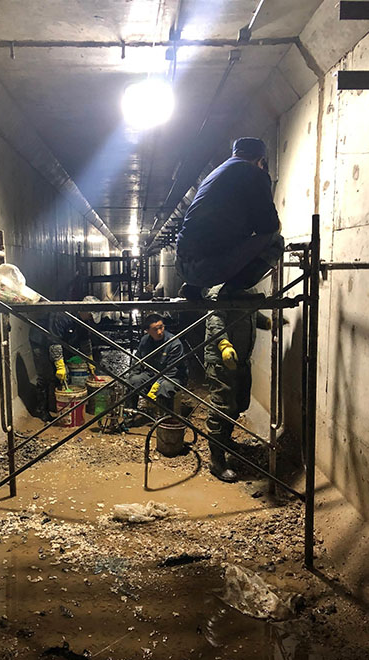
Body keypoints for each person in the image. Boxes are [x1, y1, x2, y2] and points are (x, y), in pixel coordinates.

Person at [176, 137, 284, 299]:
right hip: (207, 268)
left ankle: (192, 288)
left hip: (182, 265)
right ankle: (232, 290)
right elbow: (268, 226)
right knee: (275, 240)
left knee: (216, 235)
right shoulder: (255, 173)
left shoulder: (214, 174)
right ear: (260, 160)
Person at [204, 284, 271, 482]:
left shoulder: (248, 289)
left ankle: (225, 439)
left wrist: (266, 322)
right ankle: (216, 460)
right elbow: (215, 318)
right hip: (221, 360)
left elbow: (249, 314)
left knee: (240, 404)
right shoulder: (221, 289)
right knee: (222, 407)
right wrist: (223, 344)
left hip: (241, 359)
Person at [29, 296, 100, 421]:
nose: (90, 318)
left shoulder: (83, 320)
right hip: (41, 341)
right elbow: (54, 341)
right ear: (84, 310)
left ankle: (56, 405)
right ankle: (41, 409)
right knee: (46, 375)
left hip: (58, 341)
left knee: (58, 376)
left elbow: (85, 340)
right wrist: (60, 365)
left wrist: (90, 360)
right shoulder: (62, 315)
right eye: (90, 315)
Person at [125, 313, 188, 416]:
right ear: (148, 330)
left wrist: (156, 385)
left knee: (164, 387)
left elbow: (172, 370)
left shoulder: (174, 343)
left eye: (161, 327)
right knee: (134, 381)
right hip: (151, 374)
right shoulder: (145, 341)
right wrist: (132, 375)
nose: (159, 332)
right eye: (155, 329)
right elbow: (138, 360)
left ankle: (164, 419)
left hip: (172, 377)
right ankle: (129, 415)